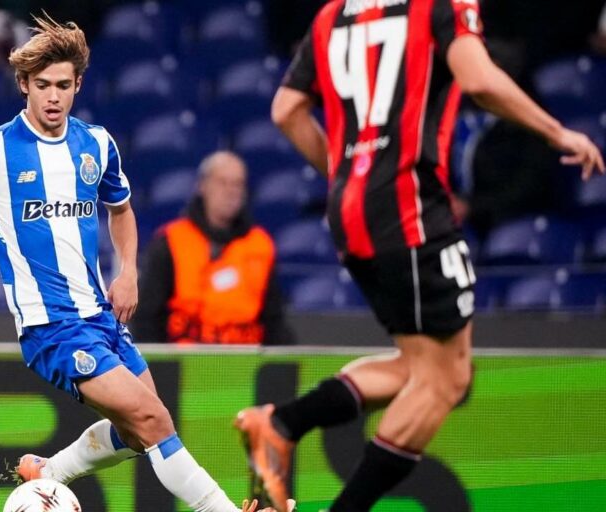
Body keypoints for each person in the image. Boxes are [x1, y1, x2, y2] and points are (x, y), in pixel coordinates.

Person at [0, 15, 286, 512]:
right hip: (52, 326)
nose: (53, 97)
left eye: (63, 85)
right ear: (24, 84)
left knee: (137, 430)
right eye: (42, 85)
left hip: (99, 316)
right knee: (155, 421)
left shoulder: (97, 145)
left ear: (78, 84)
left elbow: (121, 209)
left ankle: (51, 472)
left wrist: (127, 270)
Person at [235, 1, 605, 511]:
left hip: (352, 211)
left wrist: (348, 180)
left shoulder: (331, 15)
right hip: (409, 207)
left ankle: (280, 424)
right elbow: (478, 80)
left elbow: (285, 111)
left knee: (420, 369)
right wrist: (558, 131)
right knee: (447, 378)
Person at [130, 151, 294, 345]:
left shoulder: (260, 245)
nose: (231, 191)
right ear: (203, 186)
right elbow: (146, 318)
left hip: (243, 364)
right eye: (222, 182)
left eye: (238, 184)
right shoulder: (171, 241)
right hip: (183, 364)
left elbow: (274, 320)